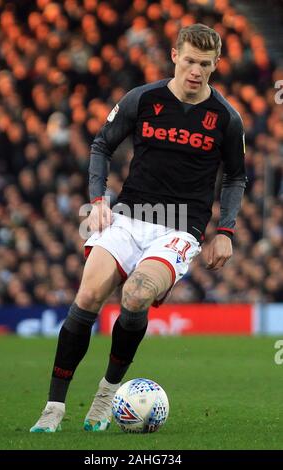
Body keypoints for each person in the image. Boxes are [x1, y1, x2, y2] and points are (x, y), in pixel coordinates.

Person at [30, 23, 246, 433]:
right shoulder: (143, 99)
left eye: (205, 64)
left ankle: (106, 395)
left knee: (134, 296)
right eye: (189, 62)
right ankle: (53, 408)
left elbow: (236, 177)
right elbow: (101, 144)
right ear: (174, 57)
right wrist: (98, 202)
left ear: (216, 65)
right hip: (128, 216)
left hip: (180, 229)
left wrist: (226, 230)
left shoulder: (226, 119)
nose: (195, 71)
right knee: (90, 294)